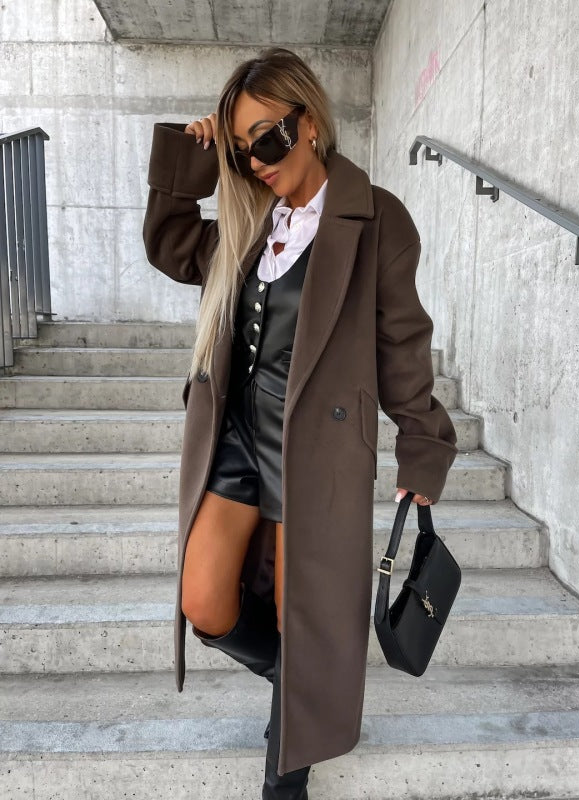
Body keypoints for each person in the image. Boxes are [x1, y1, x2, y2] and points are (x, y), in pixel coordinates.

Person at [143, 46, 458, 799]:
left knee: (298, 611)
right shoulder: (253, 220)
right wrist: (191, 158)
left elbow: (402, 343)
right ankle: (305, 687)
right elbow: (172, 247)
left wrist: (423, 446)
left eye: (269, 138)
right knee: (204, 599)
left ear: (309, 121)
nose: (257, 161)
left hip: (315, 451)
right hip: (236, 440)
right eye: (242, 147)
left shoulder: (375, 217)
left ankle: (285, 780)